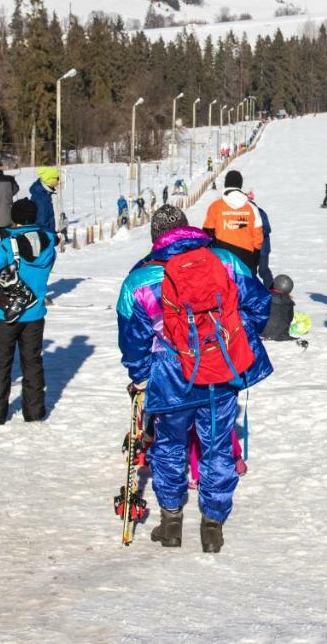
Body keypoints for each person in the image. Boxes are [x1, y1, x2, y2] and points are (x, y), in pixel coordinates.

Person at [117, 205, 273, 553]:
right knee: (217, 445)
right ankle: (212, 526)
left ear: (155, 238)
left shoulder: (140, 278)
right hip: (219, 366)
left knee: (170, 446)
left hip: (171, 373)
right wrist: (234, 339)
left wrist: (141, 376)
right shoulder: (226, 261)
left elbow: (133, 337)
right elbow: (260, 304)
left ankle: (171, 522)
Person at [0, 199, 57, 426]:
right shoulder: (49, 243)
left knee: (0, 364)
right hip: (35, 313)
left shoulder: (8, 244)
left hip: (6, 314)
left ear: (14, 219)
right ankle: (35, 412)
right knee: (32, 363)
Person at [202, 170, 264, 272]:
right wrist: (255, 258)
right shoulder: (251, 207)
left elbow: (207, 234)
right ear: (240, 185)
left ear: (226, 184)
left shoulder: (215, 206)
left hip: (222, 257)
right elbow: (258, 236)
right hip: (246, 257)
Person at [260, 274, 297, 341]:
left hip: (263, 333)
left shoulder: (265, 297)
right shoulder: (290, 303)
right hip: (282, 334)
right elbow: (290, 318)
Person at [248, 191, 274, 286]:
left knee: (263, 270)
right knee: (251, 271)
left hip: (263, 248)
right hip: (252, 248)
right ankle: (254, 291)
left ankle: (270, 289)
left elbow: (267, 229)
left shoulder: (260, 212)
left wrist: (256, 232)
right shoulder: (246, 214)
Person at [30, 167, 59, 236]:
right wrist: (52, 236)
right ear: (49, 180)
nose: (58, 181)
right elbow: (42, 221)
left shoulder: (44, 193)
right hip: (45, 237)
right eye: (57, 178)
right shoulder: (42, 198)